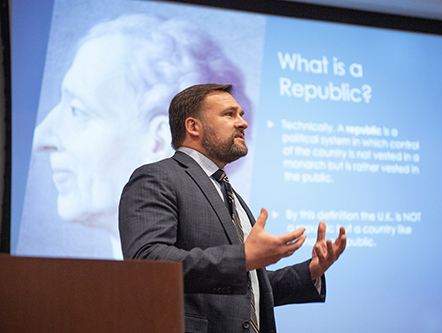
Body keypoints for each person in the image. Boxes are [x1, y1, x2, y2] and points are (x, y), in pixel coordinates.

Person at [119, 84, 347, 333]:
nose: (243, 123)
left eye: (241, 114)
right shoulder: (158, 177)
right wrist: (243, 258)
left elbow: (249, 287)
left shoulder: (230, 193)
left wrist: (311, 271)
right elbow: (148, 262)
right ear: (193, 126)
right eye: (229, 114)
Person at [30, 14, 253, 259]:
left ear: (157, 140)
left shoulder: (231, 200)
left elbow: (248, 288)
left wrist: (300, 277)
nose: (40, 137)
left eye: (77, 111)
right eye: (230, 115)